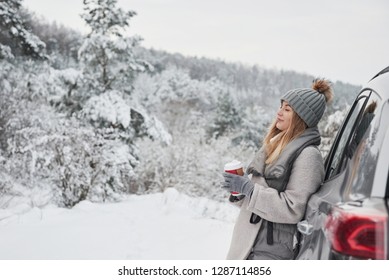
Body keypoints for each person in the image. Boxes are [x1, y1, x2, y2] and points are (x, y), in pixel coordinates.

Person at [222, 78, 334, 260]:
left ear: (301, 118)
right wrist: (240, 193)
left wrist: (249, 189)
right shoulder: (275, 146)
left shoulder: (308, 156)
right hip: (250, 244)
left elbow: (293, 209)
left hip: (269, 250)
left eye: (287, 109)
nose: (279, 112)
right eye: (281, 106)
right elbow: (258, 198)